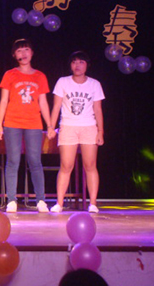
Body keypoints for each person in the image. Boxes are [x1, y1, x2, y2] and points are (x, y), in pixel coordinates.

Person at [0, 38, 55, 213]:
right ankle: (11, 200)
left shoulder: (40, 76)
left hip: (34, 123)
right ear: (15, 55)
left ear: (32, 53)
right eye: (19, 51)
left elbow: (43, 102)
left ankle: (41, 200)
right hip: (12, 122)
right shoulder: (10, 74)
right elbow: (4, 100)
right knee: (13, 161)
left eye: (26, 49)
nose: (23, 53)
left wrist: (50, 125)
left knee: (35, 161)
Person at [50, 51, 105, 214]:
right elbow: (56, 107)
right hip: (68, 126)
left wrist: (100, 131)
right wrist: (51, 127)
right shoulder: (63, 82)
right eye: (74, 62)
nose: (77, 65)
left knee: (90, 165)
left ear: (87, 65)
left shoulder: (94, 84)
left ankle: (93, 203)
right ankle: (59, 203)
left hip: (89, 126)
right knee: (66, 165)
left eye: (81, 62)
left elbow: (98, 109)